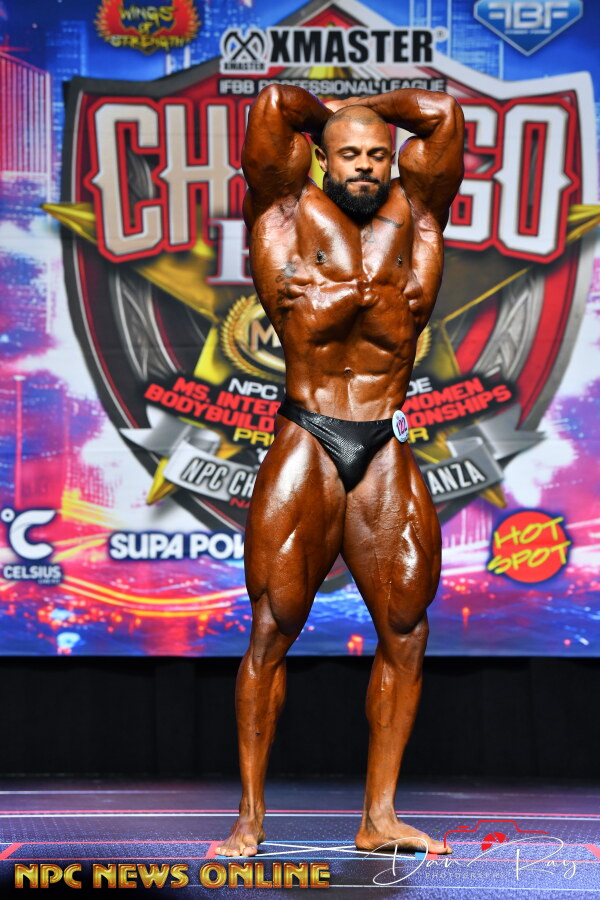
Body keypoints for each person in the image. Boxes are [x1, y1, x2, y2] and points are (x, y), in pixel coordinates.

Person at [215, 85, 464, 858]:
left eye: (377, 154)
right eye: (349, 154)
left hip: (384, 439)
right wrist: (337, 117)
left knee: (407, 630)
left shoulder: (419, 217)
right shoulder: (283, 213)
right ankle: (250, 816)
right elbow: (271, 105)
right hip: (308, 434)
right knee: (273, 627)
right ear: (322, 157)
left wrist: (371, 107)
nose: (364, 166)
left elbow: (443, 117)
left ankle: (378, 817)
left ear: (393, 160)